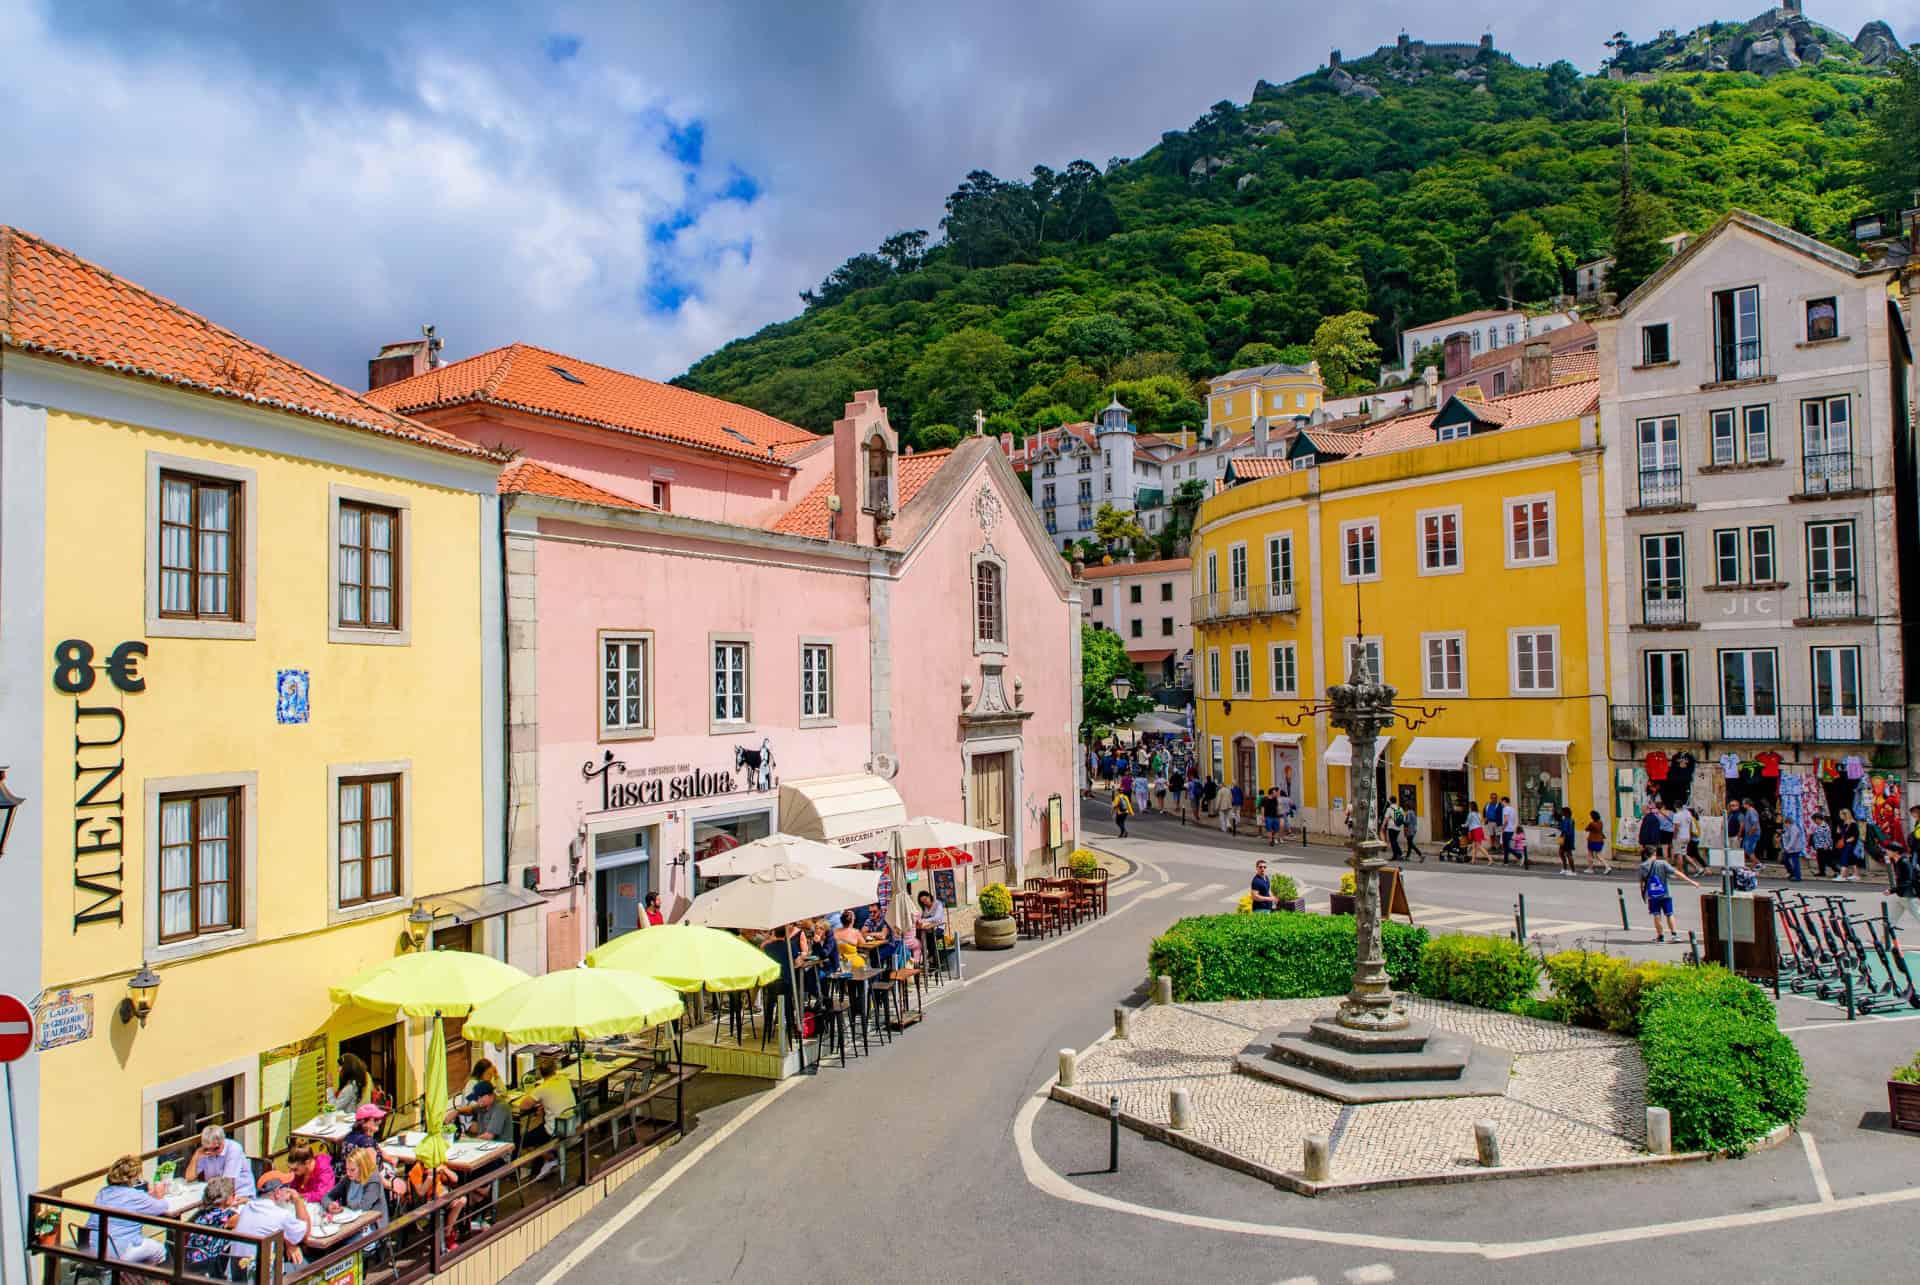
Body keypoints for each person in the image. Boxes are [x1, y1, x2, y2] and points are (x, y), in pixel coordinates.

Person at [86, 1154, 170, 1265]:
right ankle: (133, 1273)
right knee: (160, 1251)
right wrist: (160, 1195)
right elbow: (162, 1207)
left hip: (90, 1246)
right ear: (135, 1177)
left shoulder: (103, 1192)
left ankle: (128, 1273)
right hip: (116, 1251)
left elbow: (124, 1203)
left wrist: (146, 1196)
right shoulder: (135, 1196)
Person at [514, 1052, 578, 1181]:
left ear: (540, 1074)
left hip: (554, 1129)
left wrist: (538, 1100)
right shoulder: (564, 1080)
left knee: (520, 1140)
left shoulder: (542, 1088)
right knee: (538, 1129)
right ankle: (545, 1160)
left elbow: (524, 1106)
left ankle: (550, 1158)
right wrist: (544, 1103)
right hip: (571, 1122)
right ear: (555, 1070)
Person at [227, 1178, 309, 1276]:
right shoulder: (281, 1214)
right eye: (287, 1189)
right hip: (260, 1277)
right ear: (277, 1193)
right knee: (302, 1264)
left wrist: (289, 1243)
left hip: (236, 1272)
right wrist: (298, 1200)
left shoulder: (247, 1206)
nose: (289, 1192)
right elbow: (304, 1234)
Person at [325, 1144, 391, 1233]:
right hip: (351, 1222)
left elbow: (363, 1208)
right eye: (347, 1169)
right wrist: (329, 1205)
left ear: (362, 1168)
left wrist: (342, 1208)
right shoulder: (348, 1179)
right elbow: (327, 1196)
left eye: (352, 1170)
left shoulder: (373, 1181)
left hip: (372, 1227)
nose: (348, 1173)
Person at [186, 1174, 242, 1279]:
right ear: (228, 1199)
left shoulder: (200, 1213)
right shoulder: (229, 1216)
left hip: (190, 1261)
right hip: (210, 1267)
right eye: (233, 1194)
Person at [1639, 845, 1699, 943]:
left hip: (1653, 895)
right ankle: (1674, 935)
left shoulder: (1643, 866)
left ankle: (1660, 936)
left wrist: (1643, 894)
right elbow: (1677, 873)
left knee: (1656, 914)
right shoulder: (1662, 863)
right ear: (1654, 854)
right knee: (1669, 914)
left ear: (1645, 855)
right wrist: (1692, 882)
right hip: (1665, 893)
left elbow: (1642, 882)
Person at [185, 1123, 257, 1199]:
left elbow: (228, 1185)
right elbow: (189, 1178)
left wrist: (213, 1182)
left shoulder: (234, 1149)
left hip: (240, 1194)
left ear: (223, 1141)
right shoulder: (205, 1152)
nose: (211, 1152)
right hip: (216, 1194)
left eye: (216, 1148)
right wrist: (196, 1156)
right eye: (207, 1149)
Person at [1888, 838, 1920, 929]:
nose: (1887, 852)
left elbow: (1908, 881)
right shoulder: (1897, 861)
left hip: (1907, 894)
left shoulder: (1904, 862)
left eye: (1889, 850)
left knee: (1918, 915)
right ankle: (1886, 935)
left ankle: (1886, 934)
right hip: (1902, 894)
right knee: (1892, 919)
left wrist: (1892, 890)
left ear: (1896, 852)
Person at [1672, 802, 1700, 875]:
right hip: (1687, 836)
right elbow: (1691, 825)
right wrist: (1690, 835)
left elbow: (1676, 827)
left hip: (1679, 836)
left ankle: (1681, 872)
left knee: (1678, 854)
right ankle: (1697, 868)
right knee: (1684, 854)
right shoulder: (1688, 814)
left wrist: (1674, 837)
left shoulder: (1676, 815)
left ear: (1675, 807)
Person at [1836, 808, 1863, 882]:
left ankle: (1843, 875)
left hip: (1849, 844)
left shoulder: (1853, 823)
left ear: (1845, 815)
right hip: (1845, 843)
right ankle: (1856, 875)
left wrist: (1848, 840)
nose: (1839, 816)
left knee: (1844, 858)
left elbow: (1855, 835)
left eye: (1841, 814)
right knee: (1852, 858)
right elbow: (1839, 833)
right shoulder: (1842, 823)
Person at [1780, 812, 1807, 882]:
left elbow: (1793, 839)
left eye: (1785, 823)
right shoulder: (1788, 828)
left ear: (1788, 823)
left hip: (1795, 849)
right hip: (1790, 849)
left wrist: (1787, 848)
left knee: (1795, 863)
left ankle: (1797, 877)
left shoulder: (1794, 828)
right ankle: (1792, 873)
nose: (1785, 825)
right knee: (1784, 860)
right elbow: (1786, 835)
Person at [1808, 812, 1836, 878]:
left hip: (1824, 846)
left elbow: (1828, 836)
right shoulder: (1819, 826)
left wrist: (1827, 844)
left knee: (1828, 861)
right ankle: (1822, 872)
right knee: (1820, 860)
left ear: (1818, 819)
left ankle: (1839, 870)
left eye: (1814, 820)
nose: (1814, 822)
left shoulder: (1825, 826)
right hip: (1819, 846)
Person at [1584, 810, 1610, 874]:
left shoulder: (1592, 824)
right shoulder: (1601, 822)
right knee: (1598, 855)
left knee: (1590, 855)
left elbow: (1586, 829)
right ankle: (1606, 866)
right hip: (1600, 840)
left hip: (1592, 840)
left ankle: (1591, 868)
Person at [1381, 797, 1405, 862]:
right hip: (1398, 827)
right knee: (1394, 841)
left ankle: (1400, 854)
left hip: (1391, 827)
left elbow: (1386, 818)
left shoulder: (1389, 809)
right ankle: (1395, 855)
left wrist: (1383, 825)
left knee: (1393, 841)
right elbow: (1403, 817)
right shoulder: (1400, 808)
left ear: (1390, 801)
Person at [1557, 806, 1577, 876]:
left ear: (1566, 813)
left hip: (1566, 838)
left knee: (1568, 854)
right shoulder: (1569, 820)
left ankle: (1573, 871)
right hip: (1567, 838)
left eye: (1562, 812)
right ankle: (1565, 868)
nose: (1561, 813)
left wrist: (1560, 828)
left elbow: (1565, 830)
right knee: (1561, 853)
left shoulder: (1567, 820)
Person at [1501, 796, 1520, 865]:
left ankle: (1519, 856)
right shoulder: (1513, 809)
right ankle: (1505, 862)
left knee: (1506, 847)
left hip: (1507, 829)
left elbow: (1506, 820)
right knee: (1506, 847)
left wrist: (1503, 828)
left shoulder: (1505, 809)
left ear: (1504, 801)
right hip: (1511, 829)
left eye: (1502, 802)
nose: (1501, 803)